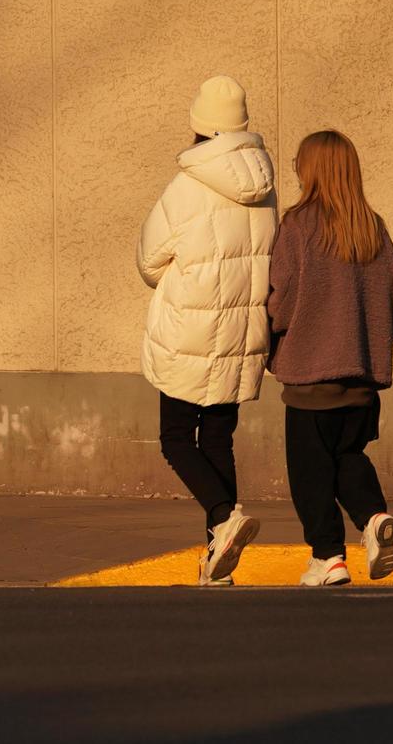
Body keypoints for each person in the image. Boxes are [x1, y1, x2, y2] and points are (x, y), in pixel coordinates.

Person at [137, 75, 277, 587]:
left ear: (198, 126)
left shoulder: (187, 185)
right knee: (218, 438)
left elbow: (149, 261)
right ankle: (217, 556)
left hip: (190, 329)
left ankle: (222, 517)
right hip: (241, 328)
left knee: (176, 438)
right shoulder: (266, 188)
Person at [268, 130, 393, 587]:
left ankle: (328, 556)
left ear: (311, 170)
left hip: (311, 375)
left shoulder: (298, 225)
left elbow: (281, 297)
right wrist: (372, 343)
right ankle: (371, 517)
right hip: (362, 377)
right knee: (347, 455)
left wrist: (273, 334)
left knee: (310, 473)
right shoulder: (373, 226)